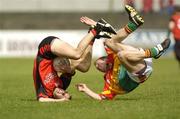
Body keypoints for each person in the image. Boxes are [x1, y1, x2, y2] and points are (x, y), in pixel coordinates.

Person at [76, 5, 171, 100]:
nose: (98, 67)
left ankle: (134, 24)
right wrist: (85, 90)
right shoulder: (110, 80)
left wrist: (95, 24)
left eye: (98, 64)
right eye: (98, 68)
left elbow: (111, 33)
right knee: (121, 54)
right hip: (140, 72)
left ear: (105, 59)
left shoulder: (111, 55)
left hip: (140, 57)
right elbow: (102, 97)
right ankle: (154, 52)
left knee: (108, 42)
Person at [33, 17, 117, 102]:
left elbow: (41, 100)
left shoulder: (46, 92)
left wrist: (61, 100)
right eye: (65, 92)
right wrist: (69, 70)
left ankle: (97, 28)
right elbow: (71, 72)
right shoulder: (62, 85)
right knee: (84, 67)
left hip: (45, 52)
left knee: (76, 54)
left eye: (62, 94)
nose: (62, 91)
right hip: (55, 57)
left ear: (55, 98)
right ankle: (92, 36)